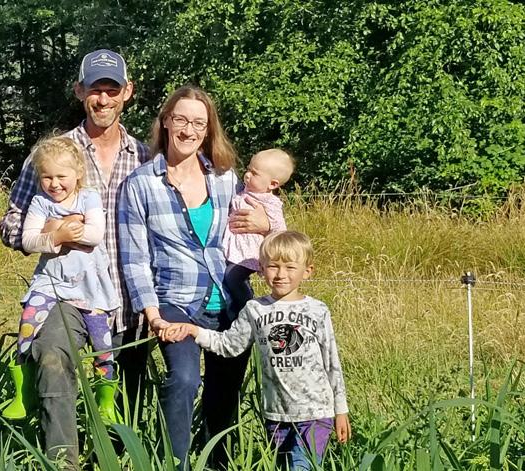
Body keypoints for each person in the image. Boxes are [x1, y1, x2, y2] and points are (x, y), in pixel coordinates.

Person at [0, 49, 151, 467]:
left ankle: (118, 459)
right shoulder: (52, 154)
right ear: (79, 91)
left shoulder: (145, 157)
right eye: (95, 90)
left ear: (127, 92)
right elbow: (11, 223)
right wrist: (52, 233)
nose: (103, 100)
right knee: (52, 357)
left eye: (112, 90)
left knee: (124, 393)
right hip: (66, 292)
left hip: (129, 297)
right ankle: (61, 460)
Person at [118, 85, 271, 470]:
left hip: (231, 302)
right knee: (184, 379)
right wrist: (153, 315)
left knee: (224, 394)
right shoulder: (140, 184)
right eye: (181, 120)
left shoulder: (225, 178)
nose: (189, 130)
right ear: (166, 122)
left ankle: (219, 461)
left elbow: (264, 221)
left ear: (208, 130)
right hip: (175, 302)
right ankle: (176, 463)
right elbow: (135, 259)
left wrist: (267, 223)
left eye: (199, 123)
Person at [162, 231, 351, 470]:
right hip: (276, 414)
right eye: (273, 266)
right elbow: (229, 345)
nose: (281, 274)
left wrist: (341, 410)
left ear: (307, 271)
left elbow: (332, 362)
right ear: (261, 269)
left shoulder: (317, 310)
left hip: (315, 412)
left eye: (290, 267)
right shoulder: (255, 309)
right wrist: (194, 331)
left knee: (301, 466)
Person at [2, 135, 120, 423]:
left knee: (102, 343)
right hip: (50, 281)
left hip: (90, 285)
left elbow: (95, 235)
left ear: (77, 173)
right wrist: (60, 233)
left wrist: (57, 230)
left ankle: (105, 401)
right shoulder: (40, 202)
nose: (54, 184)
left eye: (61, 176)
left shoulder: (89, 198)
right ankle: (24, 391)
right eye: (47, 177)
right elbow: (28, 240)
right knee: (28, 325)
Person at [223, 148, 294, 313]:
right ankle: (236, 309)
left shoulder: (270, 202)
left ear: (272, 184)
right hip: (235, 248)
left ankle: (248, 307)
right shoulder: (243, 191)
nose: (247, 175)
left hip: (249, 252)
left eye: (254, 173)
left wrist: (267, 226)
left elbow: (279, 229)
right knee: (230, 277)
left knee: (233, 277)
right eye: (248, 169)